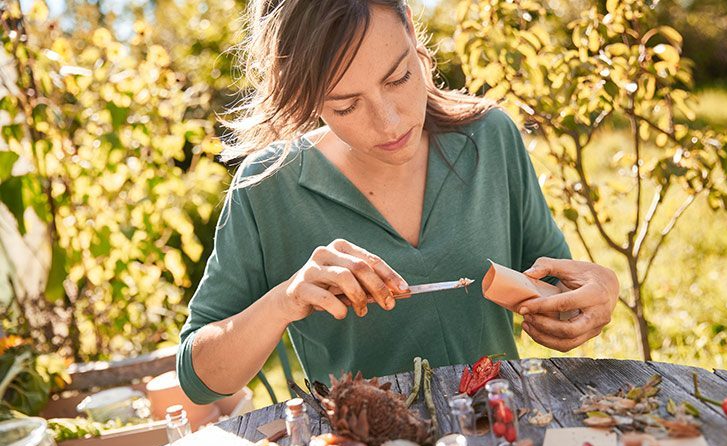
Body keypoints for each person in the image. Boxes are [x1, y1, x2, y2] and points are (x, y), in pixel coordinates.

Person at [177, 0, 619, 405]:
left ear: (409, 26)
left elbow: (559, 293)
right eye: (347, 105)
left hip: (502, 439)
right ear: (308, 95)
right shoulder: (266, 187)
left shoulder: (490, 137)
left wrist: (595, 296)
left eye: (399, 78)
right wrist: (285, 302)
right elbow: (199, 378)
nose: (389, 123)